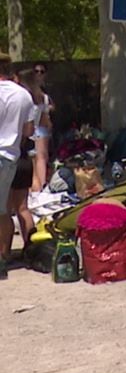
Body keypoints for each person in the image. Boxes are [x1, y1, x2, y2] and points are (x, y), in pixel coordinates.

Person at [0, 55, 35, 277]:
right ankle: (3, 256)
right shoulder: (24, 95)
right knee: (3, 210)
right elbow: (29, 131)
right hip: (9, 156)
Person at [19, 68, 51, 193]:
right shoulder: (43, 96)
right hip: (39, 129)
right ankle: (41, 185)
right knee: (41, 159)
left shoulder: (24, 97)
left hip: (28, 130)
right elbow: (45, 118)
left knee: (31, 164)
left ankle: (34, 188)